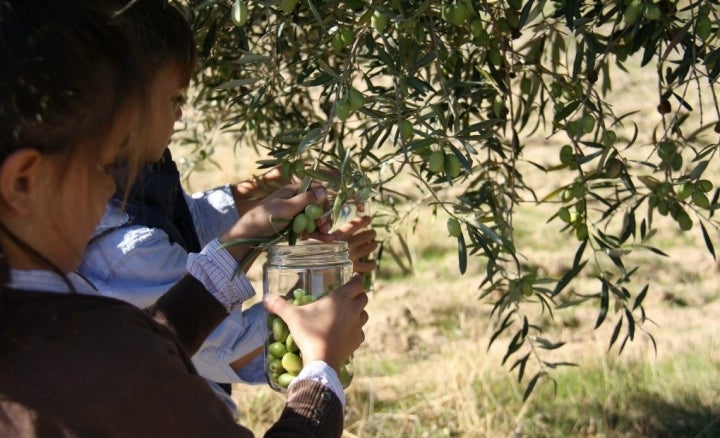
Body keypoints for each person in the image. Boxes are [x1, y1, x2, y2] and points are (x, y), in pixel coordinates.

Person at [0, 0, 368, 436]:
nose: (107, 189)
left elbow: (143, 348)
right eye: (102, 166)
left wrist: (239, 244)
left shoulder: (48, 338)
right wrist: (320, 373)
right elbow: (133, 359)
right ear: (25, 182)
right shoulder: (93, 358)